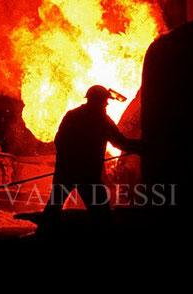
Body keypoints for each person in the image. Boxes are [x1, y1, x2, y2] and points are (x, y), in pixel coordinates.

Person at [35, 85, 143, 239]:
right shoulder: (102, 120)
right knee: (101, 215)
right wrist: (142, 148)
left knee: (54, 207)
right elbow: (122, 143)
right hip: (88, 175)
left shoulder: (72, 116)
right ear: (99, 101)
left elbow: (59, 141)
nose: (107, 104)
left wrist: (68, 161)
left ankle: (41, 236)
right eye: (105, 101)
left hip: (66, 171)